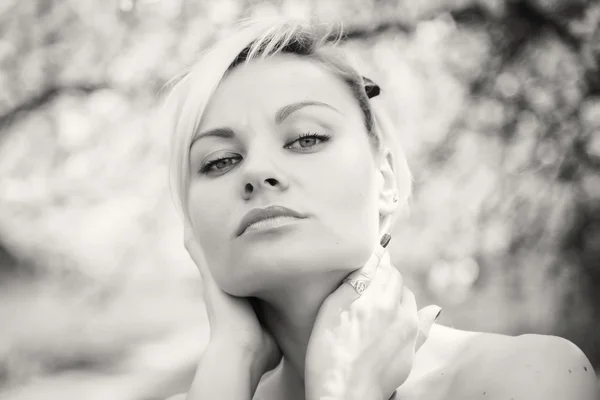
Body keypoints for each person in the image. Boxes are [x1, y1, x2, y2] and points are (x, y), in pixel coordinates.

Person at [162, 17, 598, 400]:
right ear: (192, 227)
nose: (256, 171)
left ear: (385, 177)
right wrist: (232, 357)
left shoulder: (529, 379)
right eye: (219, 161)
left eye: (306, 138)